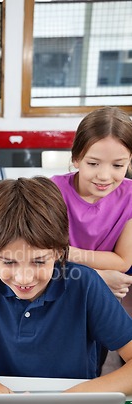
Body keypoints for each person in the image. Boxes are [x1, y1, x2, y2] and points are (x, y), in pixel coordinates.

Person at [0, 177, 132, 395]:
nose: (23, 278)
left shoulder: (86, 285)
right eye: (9, 262)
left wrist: (76, 396)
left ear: (59, 252)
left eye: (39, 261)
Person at [51, 106, 132, 300]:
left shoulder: (130, 196)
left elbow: (122, 262)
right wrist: (97, 276)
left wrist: (65, 253)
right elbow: (43, 254)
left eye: (118, 165)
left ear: (129, 161)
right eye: (93, 163)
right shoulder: (54, 190)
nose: (104, 176)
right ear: (76, 158)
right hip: (58, 288)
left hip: (106, 293)